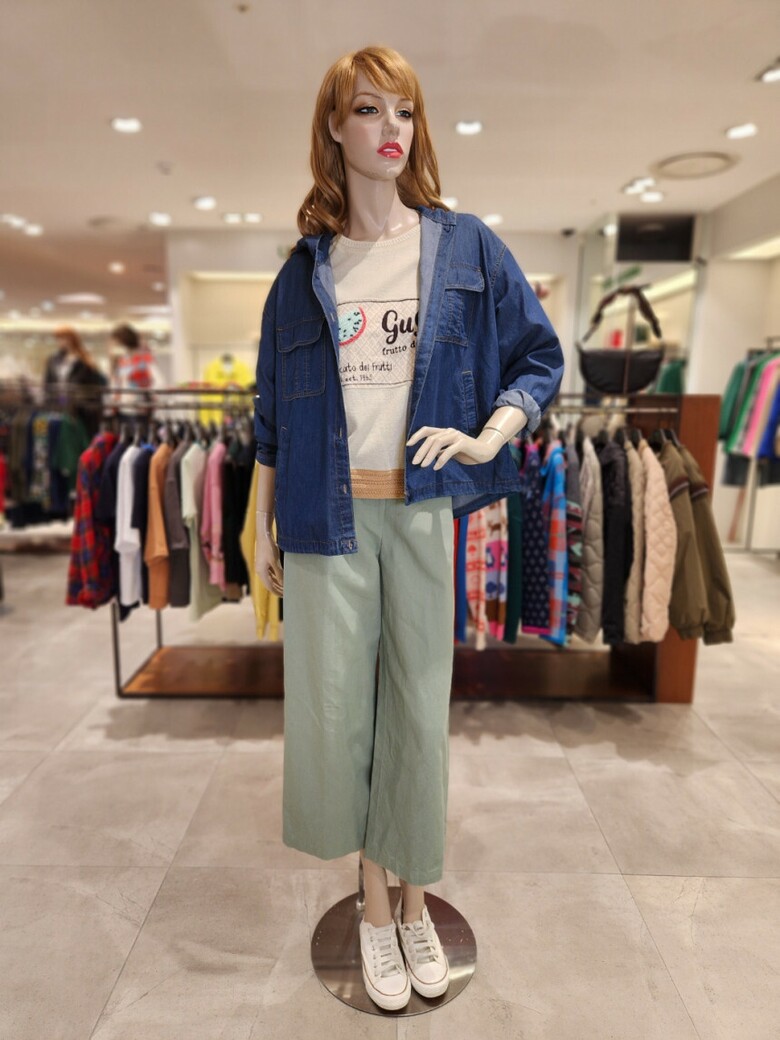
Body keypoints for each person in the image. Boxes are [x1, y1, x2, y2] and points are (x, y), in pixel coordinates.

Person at [253, 45, 564, 1011]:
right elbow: (271, 418)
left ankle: (416, 897)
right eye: (368, 109)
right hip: (326, 518)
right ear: (334, 127)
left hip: (424, 513)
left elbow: (539, 357)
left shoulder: (464, 246)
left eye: (405, 111)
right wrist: (260, 525)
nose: (391, 128)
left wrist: (488, 435)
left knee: (417, 714)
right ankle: (374, 902)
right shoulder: (303, 272)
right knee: (338, 715)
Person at [43, 326, 107, 437]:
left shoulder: (84, 360)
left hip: (81, 407)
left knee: (81, 436)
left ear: (72, 339)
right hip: (59, 403)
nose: (61, 342)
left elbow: (91, 384)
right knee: (61, 434)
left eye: (64, 338)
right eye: (58, 339)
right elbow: (48, 381)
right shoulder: (53, 359)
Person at [108, 322, 164, 419]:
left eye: (117, 344)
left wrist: (147, 397)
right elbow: (115, 386)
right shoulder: (120, 362)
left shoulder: (144, 360)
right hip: (121, 411)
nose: (114, 348)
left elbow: (159, 383)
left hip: (140, 412)